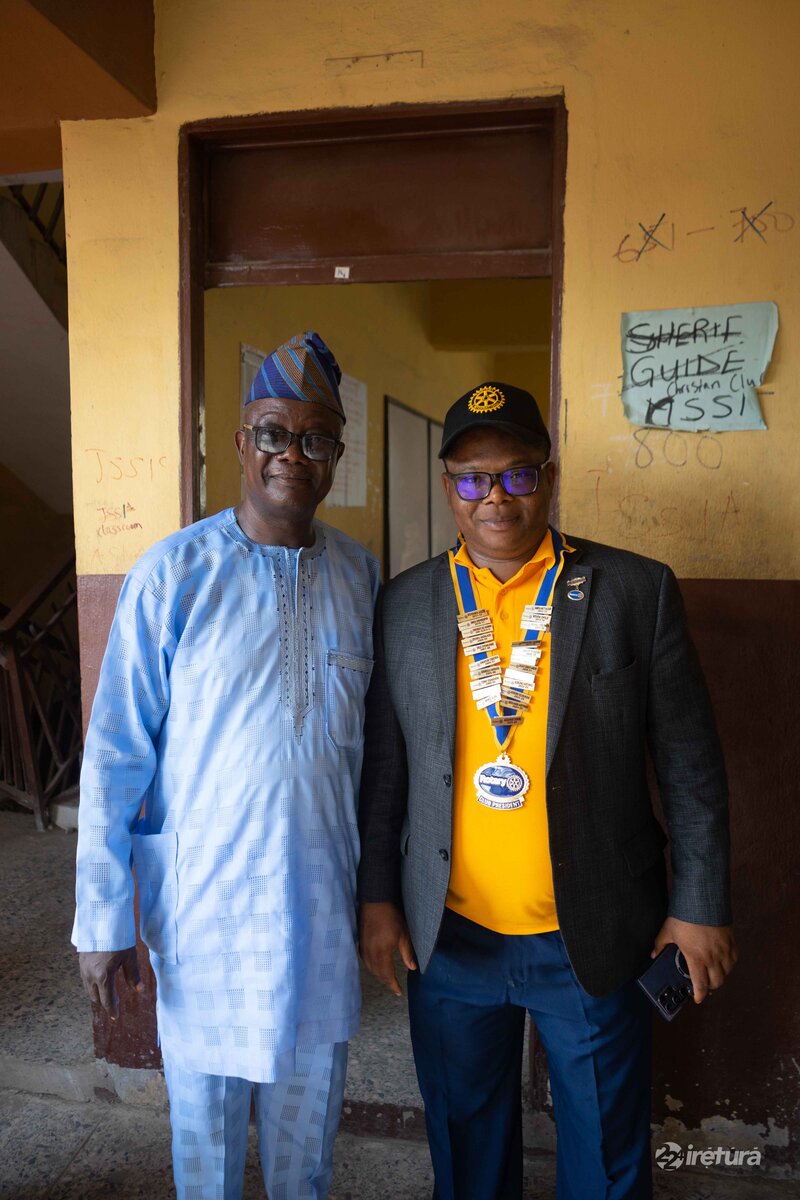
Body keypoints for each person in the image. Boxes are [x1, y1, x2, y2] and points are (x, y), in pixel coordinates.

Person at [357, 382, 737, 1200]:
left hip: (593, 937)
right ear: (450, 487)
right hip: (449, 938)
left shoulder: (633, 591)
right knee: (465, 1151)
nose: (495, 496)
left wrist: (699, 903)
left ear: (548, 478)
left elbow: (691, 767)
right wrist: (380, 900)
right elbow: (387, 773)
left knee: (605, 1159)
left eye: (517, 475)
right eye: (472, 477)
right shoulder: (407, 604)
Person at [73, 331, 379, 1200]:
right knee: (203, 1156)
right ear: (242, 444)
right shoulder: (173, 573)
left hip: (319, 909)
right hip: (205, 914)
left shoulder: (360, 577)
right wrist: (103, 915)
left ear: (336, 456)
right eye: (274, 433)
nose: (293, 454)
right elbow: (116, 752)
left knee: (306, 1153)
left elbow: (377, 757)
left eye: (315, 437)